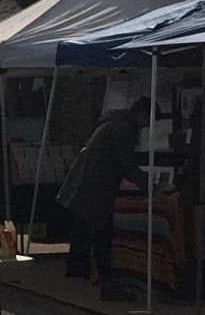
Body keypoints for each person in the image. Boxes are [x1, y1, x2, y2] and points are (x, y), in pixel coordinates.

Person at [56, 98, 147, 293]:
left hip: (89, 182)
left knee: (87, 229)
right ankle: (106, 280)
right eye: (148, 119)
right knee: (102, 231)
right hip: (97, 185)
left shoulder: (113, 124)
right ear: (141, 115)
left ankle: (82, 270)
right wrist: (149, 187)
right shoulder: (123, 129)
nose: (148, 125)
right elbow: (127, 164)